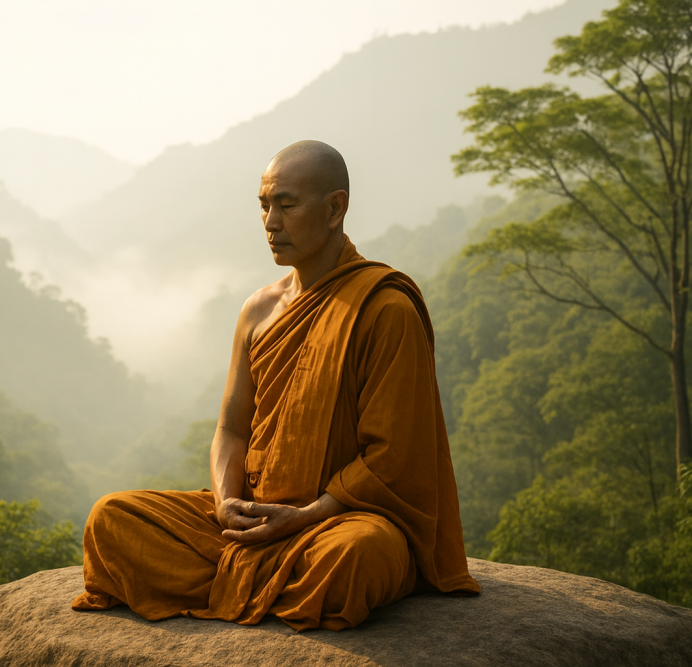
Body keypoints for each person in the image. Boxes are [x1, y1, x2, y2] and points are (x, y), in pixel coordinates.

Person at [71, 140, 480, 631]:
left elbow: (392, 460)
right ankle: (264, 579)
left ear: (335, 209)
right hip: (252, 519)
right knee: (111, 519)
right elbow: (230, 429)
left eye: (286, 205)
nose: (270, 223)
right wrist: (226, 506)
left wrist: (305, 516)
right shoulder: (258, 311)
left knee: (358, 556)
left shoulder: (385, 310)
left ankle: (236, 579)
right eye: (264, 206)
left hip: (338, 521)